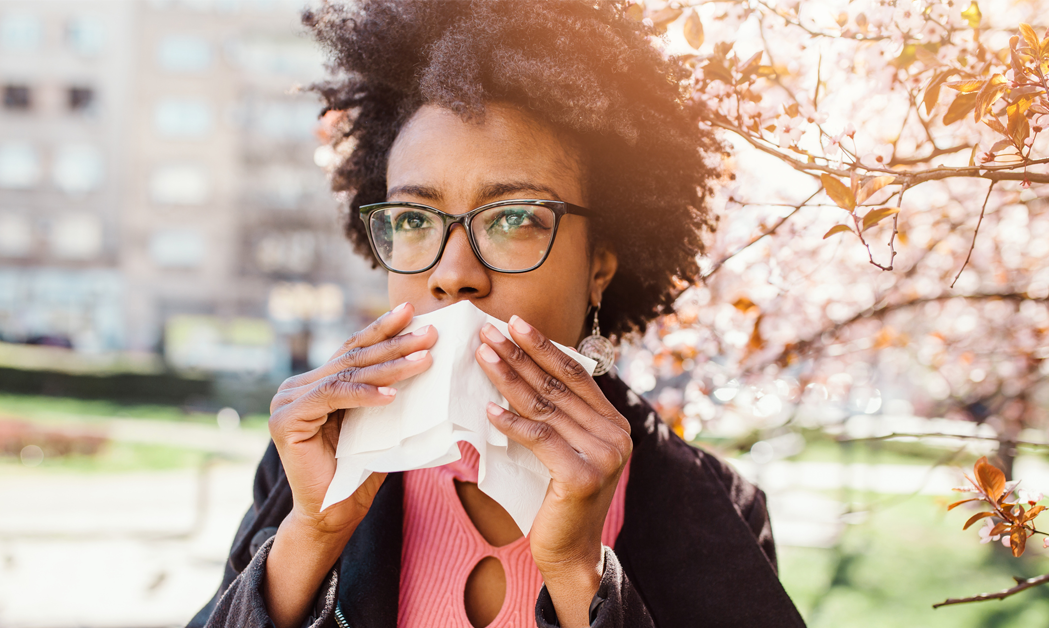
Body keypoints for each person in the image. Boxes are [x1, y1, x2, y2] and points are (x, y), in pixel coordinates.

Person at [190, 2, 806, 627]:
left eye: (513, 218)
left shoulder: (714, 506)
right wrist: (313, 535)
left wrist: (574, 570)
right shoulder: (317, 460)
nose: (453, 272)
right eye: (412, 219)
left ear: (600, 265)